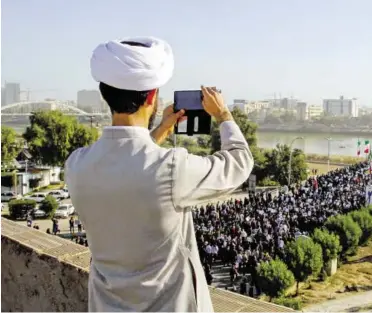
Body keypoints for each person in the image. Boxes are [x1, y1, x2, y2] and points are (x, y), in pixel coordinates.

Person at [65, 37, 254, 312]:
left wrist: (160, 132)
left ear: (105, 93)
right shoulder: (172, 168)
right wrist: (223, 114)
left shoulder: (77, 165)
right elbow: (239, 163)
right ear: (152, 96)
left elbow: (128, 168)